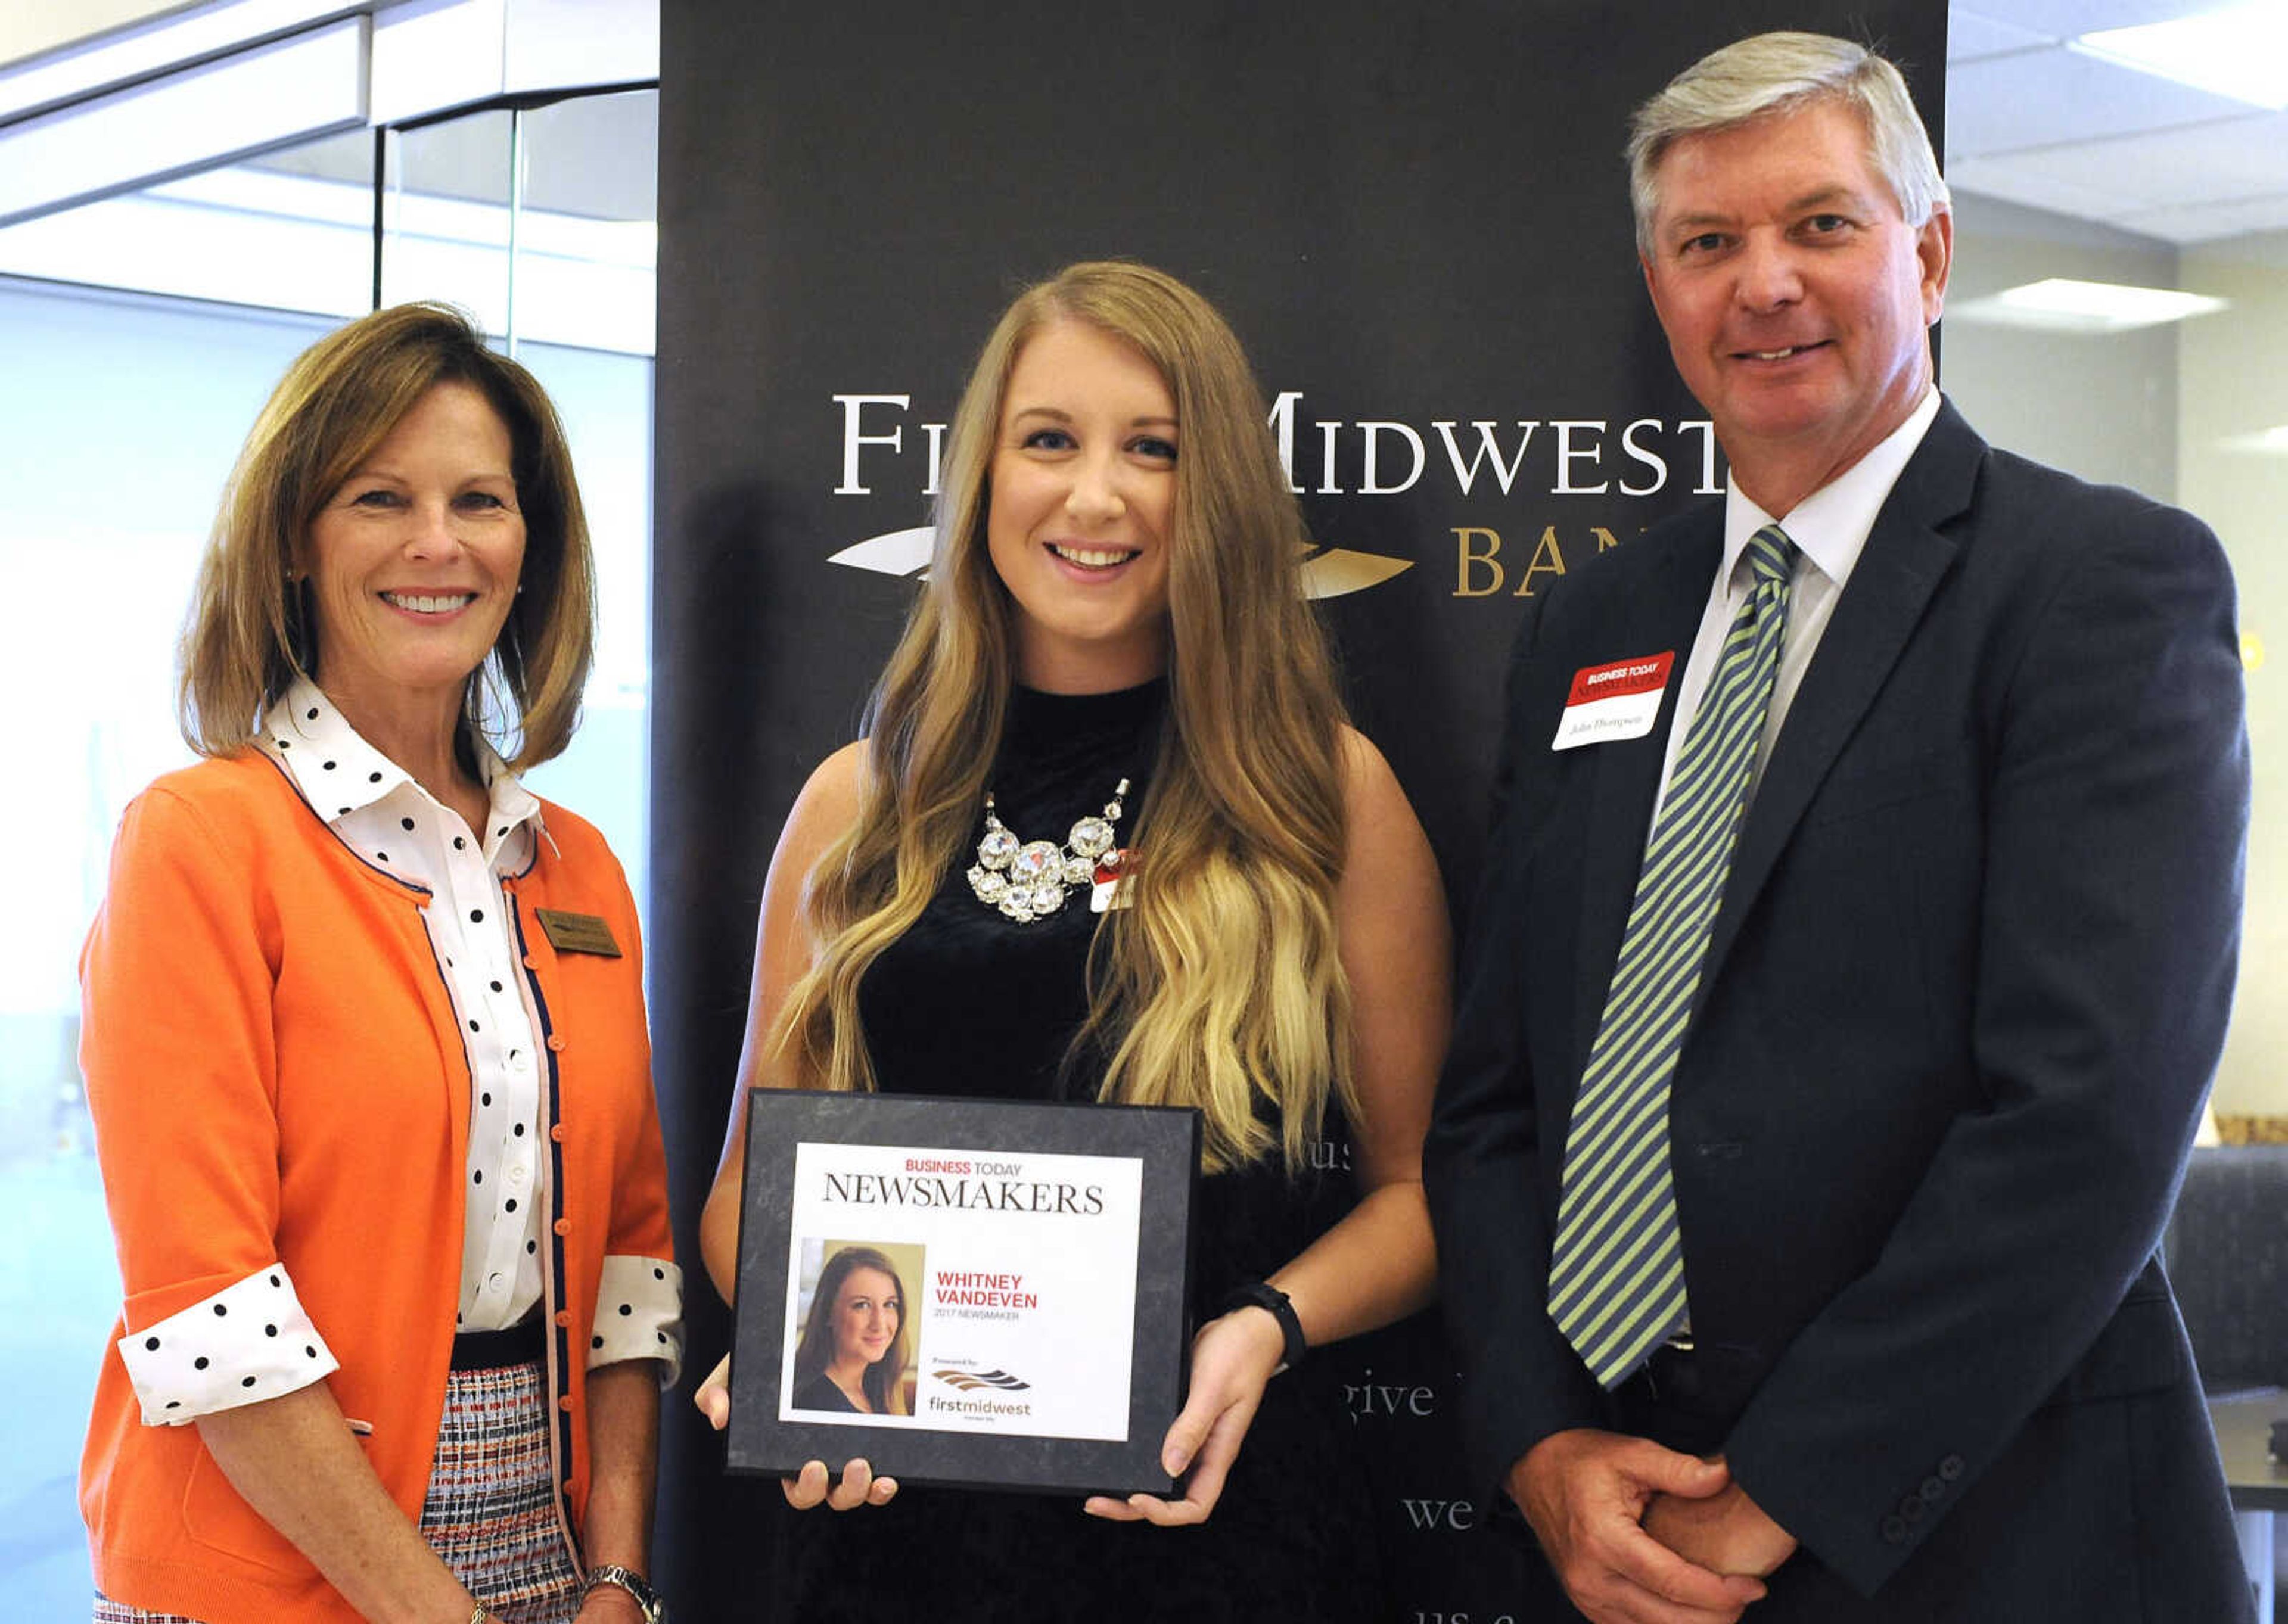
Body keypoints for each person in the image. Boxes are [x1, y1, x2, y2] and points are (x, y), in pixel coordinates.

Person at [1425, 31, 2252, 1624]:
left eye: (1821, 225)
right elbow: (1494, 1103)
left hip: (1984, 1531)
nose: (1763, 285)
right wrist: (1537, 1437)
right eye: (1707, 242)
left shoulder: (2098, 589)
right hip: (1611, 1532)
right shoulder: (1588, 624)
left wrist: (1780, 1489)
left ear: (1928, 252)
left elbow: (2086, 1124)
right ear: (1659, 286)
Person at [694, 260, 1450, 1620]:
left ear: (1210, 491)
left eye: (1150, 450)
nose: (1094, 496)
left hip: (1211, 1523)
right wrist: (792, 1340)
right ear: (983, 475)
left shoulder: (1322, 795)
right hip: (891, 1543)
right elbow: (748, 1191)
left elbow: (1426, 1193)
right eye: (1048, 440)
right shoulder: (853, 804)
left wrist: (1263, 1327)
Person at [79, 303, 682, 1624]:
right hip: (271, 1557)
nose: (437, 544)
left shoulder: (580, 870)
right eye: (379, 497)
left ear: (531, 548)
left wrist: (621, 1577)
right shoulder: (199, 842)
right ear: (298, 538)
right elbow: (210, 1310)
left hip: (553, 1547)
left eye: (480, 501)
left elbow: (634, 1271)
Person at [786, 1247, 910, 1416]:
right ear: (828, 1313)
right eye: (862, 1305)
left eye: (889, 1305)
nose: (880, 1324)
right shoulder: (817, 1403)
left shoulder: (876, 1388)